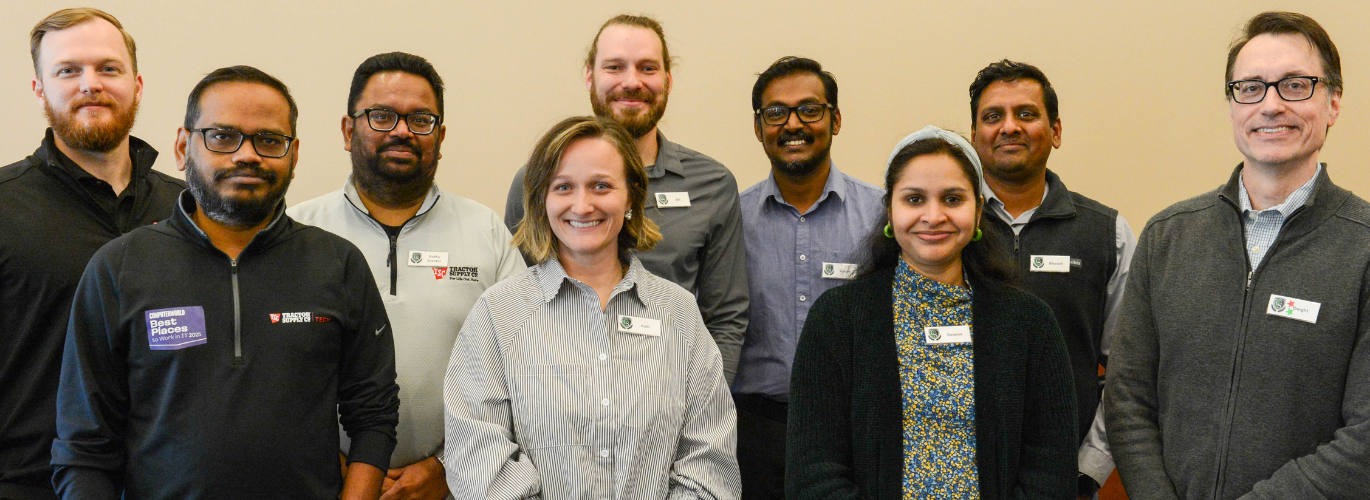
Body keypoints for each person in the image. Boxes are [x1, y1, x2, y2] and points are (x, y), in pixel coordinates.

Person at [50, 66, 400, 500]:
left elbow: (374, 417)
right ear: (183, 147)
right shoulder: (119, 268)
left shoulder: (338, 264)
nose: (246, 155)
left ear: (293, 154)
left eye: (269, 140)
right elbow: (84, 447)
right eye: (222, 136)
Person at [1106, 11, 1370, 499]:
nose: (1270, 105)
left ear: (1333, 103)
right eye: (1250, 87)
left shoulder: (1364, 248)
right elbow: (1128, 401)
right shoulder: (1167, 238)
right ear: (1232, 105)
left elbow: (1365, 439)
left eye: (1295, 85)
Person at [445, 116, 739, 499]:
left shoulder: (678, 313)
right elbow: (477, 458)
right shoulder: (499, 314)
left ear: (631, 196)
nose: (582, 206)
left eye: (601, 186)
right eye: (563, 187)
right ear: (541, 200)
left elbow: (709, 462)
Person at [787, 126, 1076, 499]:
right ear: (890, 210)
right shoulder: (837, 319)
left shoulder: (1029, 322)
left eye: (953, 199)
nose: (933, 215)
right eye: (914, 199)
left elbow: (1050, 472)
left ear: (979, 210)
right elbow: (813, 473)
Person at [289, 51, 524, 500]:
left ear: (440, 135)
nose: (401, 131)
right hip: (321, 481)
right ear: (347, 130)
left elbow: (523, 369)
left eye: (420, 119)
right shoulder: (297, 232)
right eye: (381, 116)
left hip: (458, 484)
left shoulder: (488, 232)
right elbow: (268, 374)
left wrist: (447, 466)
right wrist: (339, 466)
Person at [0, 9, 185, 499]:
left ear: (137, 83)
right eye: (68, 70)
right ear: (40, 89)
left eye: (108, 68)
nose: (91, 84)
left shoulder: (189, 209)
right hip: (29, 484)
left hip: (171, 484)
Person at [502, 15, 748, 382]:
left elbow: (726, 317)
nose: (632, 82)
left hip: (668, 406)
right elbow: (516, 303)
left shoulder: (713, 184)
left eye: (647, 68)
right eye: (615, 67)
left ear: (668, 79)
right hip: (558, 401)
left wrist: (703, 406)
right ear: (590, 75)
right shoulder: (537, 182)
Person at [967, 60, 1135, 497]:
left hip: (1066, 479)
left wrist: (1089, 469)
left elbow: (1127, 373)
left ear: (1055, 131)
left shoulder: (1107, 233)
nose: (1009, 127)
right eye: (992, 116)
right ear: (973, 137)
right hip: (955, 471)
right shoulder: (943, 227)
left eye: (1026, 114)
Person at [731, 56, 883, 500]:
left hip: (853, 433)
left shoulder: (882, 216)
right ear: (759, 128)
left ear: (835, 120)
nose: (792, 124)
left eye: (809, 110)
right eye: (775, 113)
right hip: (753, 432)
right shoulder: (731, 220)